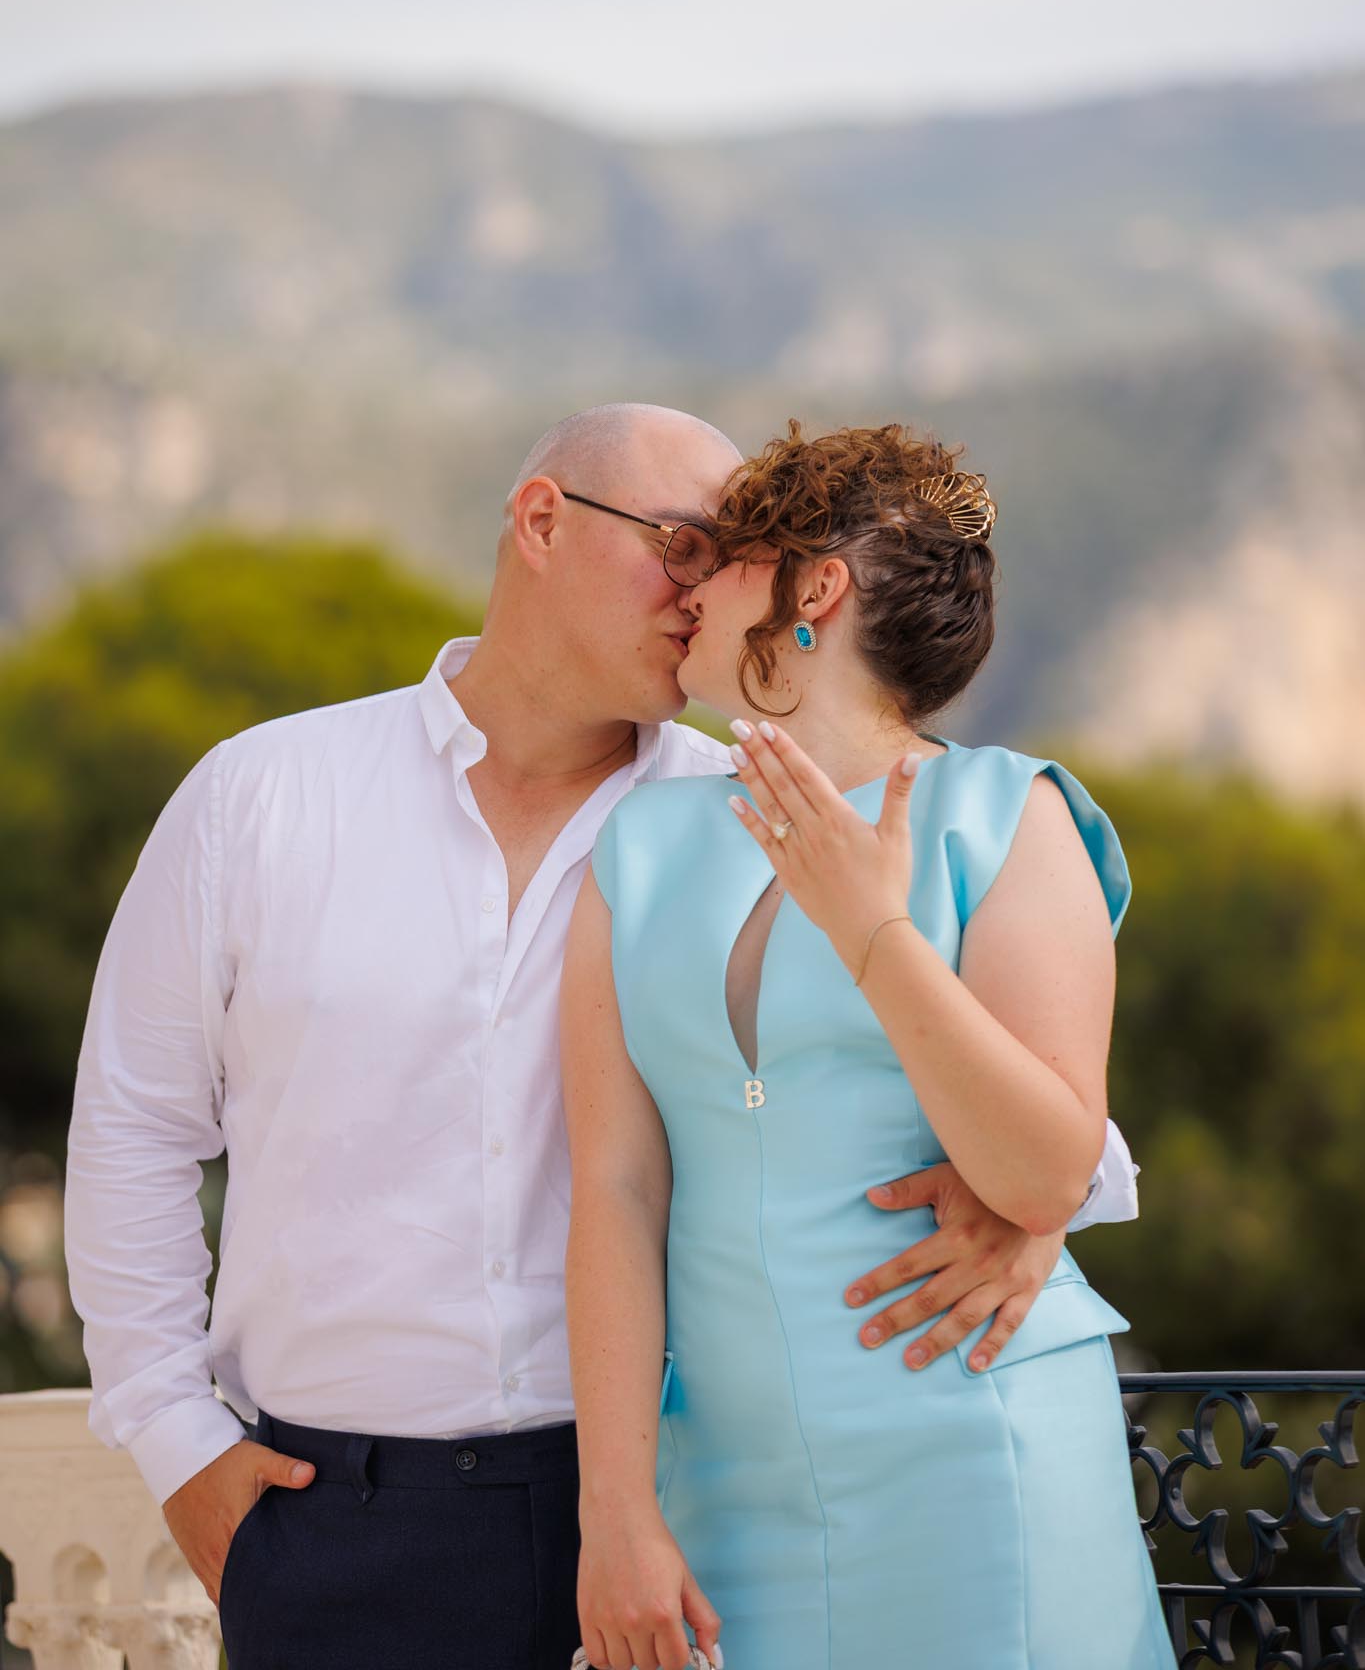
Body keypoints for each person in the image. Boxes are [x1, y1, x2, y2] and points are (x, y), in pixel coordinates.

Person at [65, 403, 1140, 1670]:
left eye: (726, 556)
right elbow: (134, 1128)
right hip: (339, 1513)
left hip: (676, 1502)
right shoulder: (265, 796)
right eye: (682, 544)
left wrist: (1040, 1209)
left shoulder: (755, 802)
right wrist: (177, 1440)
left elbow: (1027, 1110)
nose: (698, 590)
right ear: (541, 521)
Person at [562, 419, 1177, 1670]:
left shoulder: (1012, 816)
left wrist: (873, 930)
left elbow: (1044, 1174)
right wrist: (614, 1508)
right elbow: (616, 1186)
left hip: (979, 1454)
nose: (691, 581)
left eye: (728, 551)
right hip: (722, 1494)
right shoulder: (636, 848)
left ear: (814, 589)